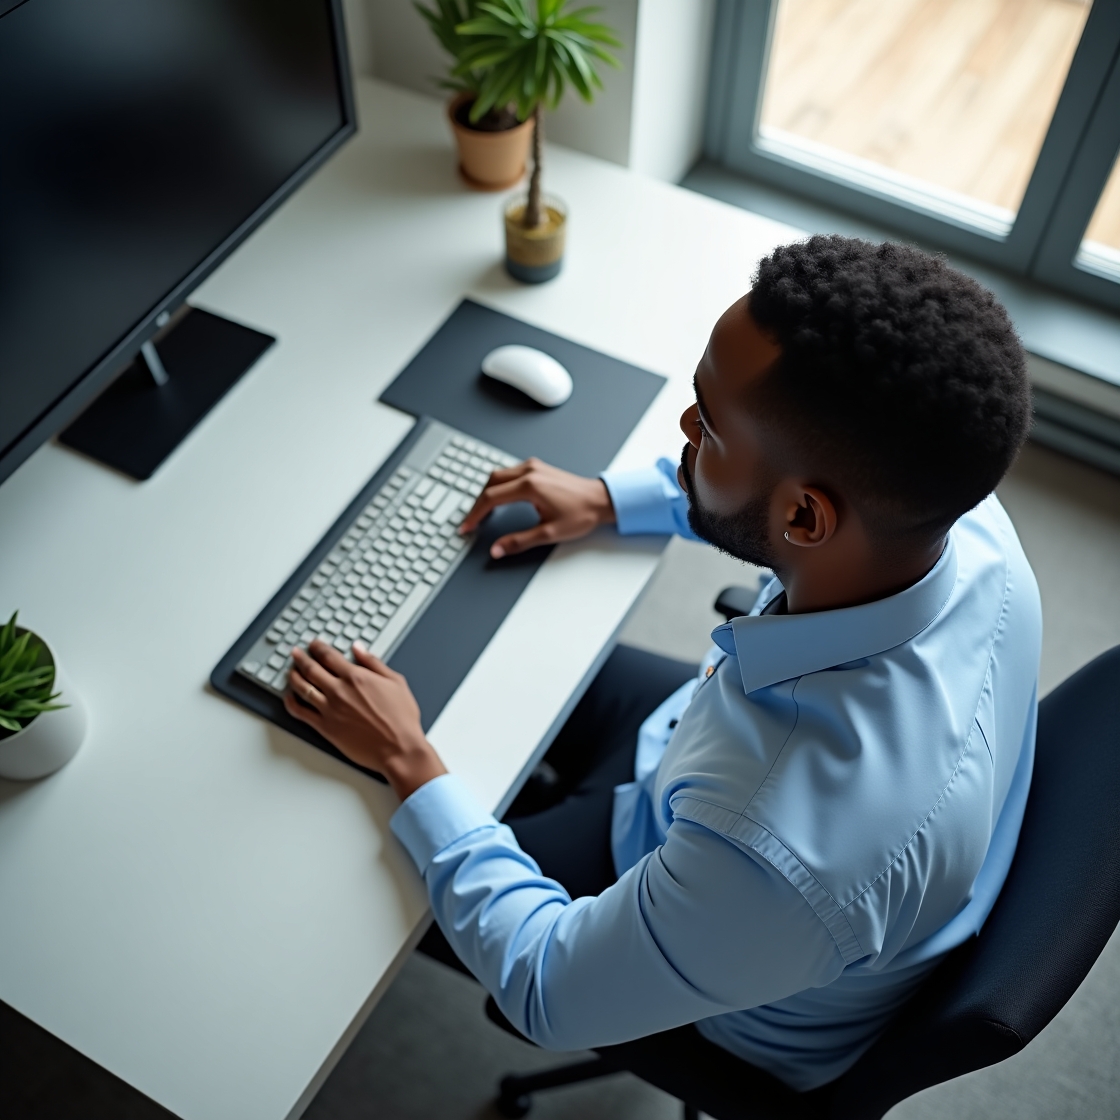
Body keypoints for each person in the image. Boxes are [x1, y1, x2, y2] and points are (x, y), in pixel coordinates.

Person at [282, 236, 1041, 1091]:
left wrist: (409, 761)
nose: (684, 428)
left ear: (804, 518)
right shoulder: (964, 526)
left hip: (739, 949)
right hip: (705, 760)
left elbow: (545, 986)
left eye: (706, 425)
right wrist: (611, 498)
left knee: (341, 880)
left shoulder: (780, 860)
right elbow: (792, 503)